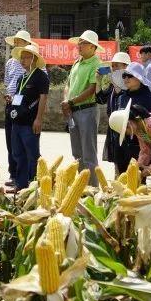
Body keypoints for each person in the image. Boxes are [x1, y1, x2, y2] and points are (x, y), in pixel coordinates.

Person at [100, 61, 151, 176]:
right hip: (121, 144)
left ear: (139, 78)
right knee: (122, 177)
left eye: (130, 76)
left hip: (142, 146)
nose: (126, 78)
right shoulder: (122, 97)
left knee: (139, 179)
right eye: (124, 76)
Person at [63, 30, 104, 187]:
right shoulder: (77, 62)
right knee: (77, 153)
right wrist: (66, 100)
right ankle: (81, 186)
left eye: (83, 43)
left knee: (89, 153)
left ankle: (92, 188)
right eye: (79, 42)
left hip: (87, 110)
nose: (79, 45)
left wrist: (71, 102)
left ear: (93, 47)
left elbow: (92, 89)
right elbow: (68, 84)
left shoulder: (96, 64)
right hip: (73, 110)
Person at [9, 43, 50, 192]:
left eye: (26, 57)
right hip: (17, 121)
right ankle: (21, 185)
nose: (22, 61)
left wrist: (38, 119)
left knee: (32, 154)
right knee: (18, 153)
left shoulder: (41, 76)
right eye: (21, 58)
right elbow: (19, 97)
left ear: (33, 58)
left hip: (30, 122)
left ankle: (35, 184)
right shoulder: (21, 78)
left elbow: (43, 98)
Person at [3, 30, 37, 187]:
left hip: (27, 107)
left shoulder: (33, 63)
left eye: (20, 41)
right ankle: (14, 174)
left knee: (28, 143)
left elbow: (41, 90)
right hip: (11, 105)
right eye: (15, 41)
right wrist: (8, 96)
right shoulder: (10, 62)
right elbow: (7, 82)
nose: (16, 43)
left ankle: (31, 176)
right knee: (12, 141)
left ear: (28, 44)